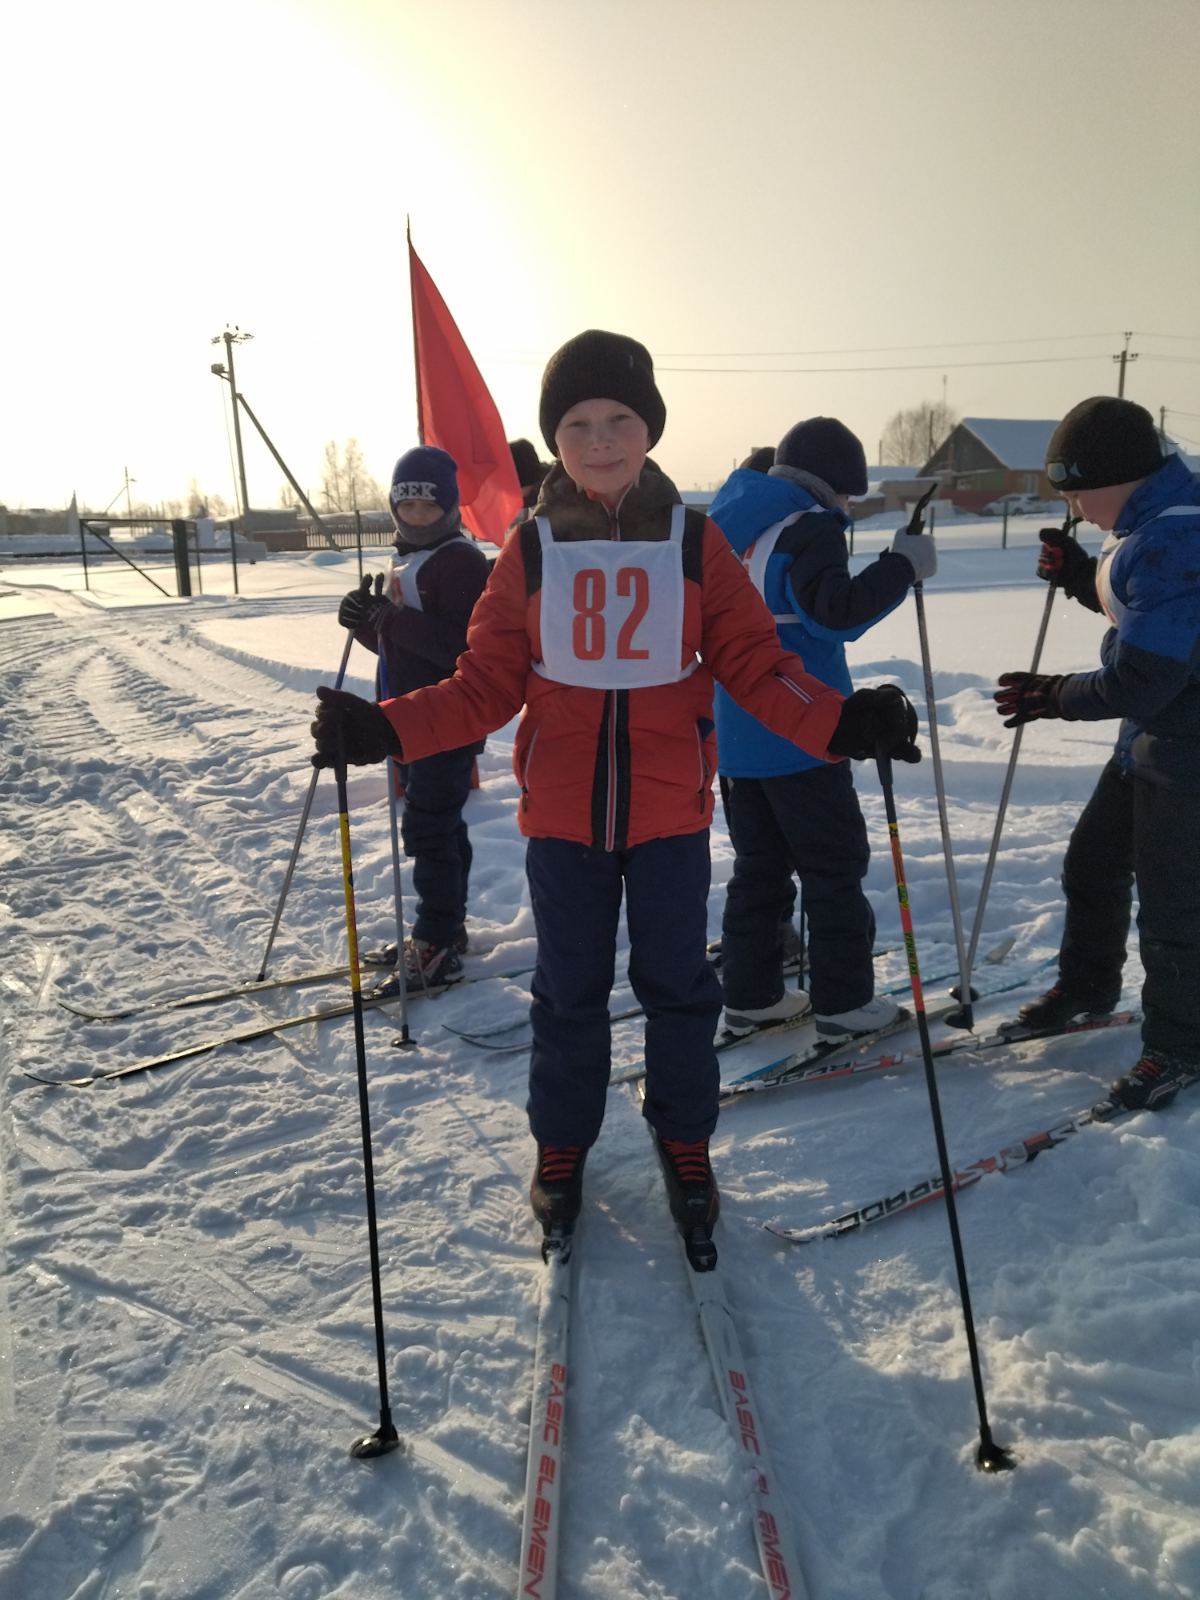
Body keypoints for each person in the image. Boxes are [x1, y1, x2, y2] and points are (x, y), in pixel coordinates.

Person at [312, 330, 920, 1260]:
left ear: (649, 427)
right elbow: (483, 685)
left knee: (678, 987)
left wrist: (840, 725)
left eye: (620, 420)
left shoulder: (695, 541)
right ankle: (563, 1144)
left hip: (671, 815)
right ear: (556, 439)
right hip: (562, 820)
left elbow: (757, 666)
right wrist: (383, 728)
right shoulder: (530, 550)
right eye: (579, 424)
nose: (601, 440)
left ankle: (684, 1138)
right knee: (567, 993)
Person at [993, 395, 1200, 1111]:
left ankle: (1179, 1045)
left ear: (1122, 476)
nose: (1075, 507)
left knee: (1175, 908)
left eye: (1079, 491)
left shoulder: (1180, 538)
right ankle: (1087, 986)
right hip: (1150, 738)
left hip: (1188, 750)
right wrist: (1081, 576)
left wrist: (1053, 695)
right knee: (1093, 864)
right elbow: (1143, 610)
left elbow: (1147, 671)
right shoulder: (1148, 524)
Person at [708, 418, 937, 1039]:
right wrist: (902, 566)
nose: (847, 508)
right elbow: (833, 614)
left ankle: (751, 995)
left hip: (737, 736)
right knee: (834, 868)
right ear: (829, 484)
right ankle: (843, 1003)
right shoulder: (809, 526)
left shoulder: (736, 528)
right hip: (805, 731)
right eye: (848, 496)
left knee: (760, 869)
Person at [336, 445, 490, 987]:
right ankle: (447, 931)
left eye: (429, 506)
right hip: (408, 719)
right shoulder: (408, 558)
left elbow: (461, 648)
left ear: (448, 507)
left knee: (427, 828)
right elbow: (400, 647)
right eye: (407, 507)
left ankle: (436, 936)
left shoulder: (461, 562)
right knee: (440, 826)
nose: (417, 516)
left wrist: (390, 621)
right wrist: (364, 623)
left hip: (446, 718)